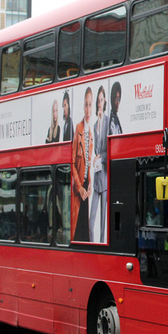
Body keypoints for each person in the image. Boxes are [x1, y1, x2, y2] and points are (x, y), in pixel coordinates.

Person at [71, 87, 93, 241]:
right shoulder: (78, 129)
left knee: (87, 234)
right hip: (79, 191)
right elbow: (72, 162)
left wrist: (90, 183)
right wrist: (80, 188)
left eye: (90, 104)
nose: (88, 108)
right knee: (77, 234)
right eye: (86, 104)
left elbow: (90, 163)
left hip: (87, 190)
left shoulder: (92, 133)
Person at [90, 85, 109, 242]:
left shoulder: (108, 122)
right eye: (98, 101)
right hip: (96, 177)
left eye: (101, 100)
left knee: (104, 221)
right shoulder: (96, 125)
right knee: (92, 221)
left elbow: (108, 150)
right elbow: (95, 149)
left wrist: (100, 158)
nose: (99, 103)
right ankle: (92, 244)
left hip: (105, 178)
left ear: (105, 102)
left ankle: (102, 246)